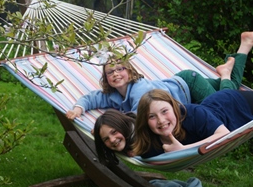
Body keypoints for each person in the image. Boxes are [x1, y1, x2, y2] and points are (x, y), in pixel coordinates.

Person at [66, 31, 253, 120]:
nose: (115, 73)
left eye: (120, 69)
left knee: (226, 102)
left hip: (189, 84)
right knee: (232, 90)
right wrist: (77, 109)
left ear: (130, 72)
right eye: (110, 72)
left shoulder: (140, 88)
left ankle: (226, 74)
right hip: (185, 84)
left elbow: (140, 111)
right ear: (106, 78)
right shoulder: (113, 95)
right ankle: (245, 45)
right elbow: (91, 98)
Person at [132, 89, 253, 158]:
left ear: (174, 108)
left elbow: (224, 134)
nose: (161, 120)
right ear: (145, 121)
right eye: (152, 116)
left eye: (164, 111)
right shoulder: (149, 142)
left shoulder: (193, 114)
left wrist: (183, 149)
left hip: (236, 103)